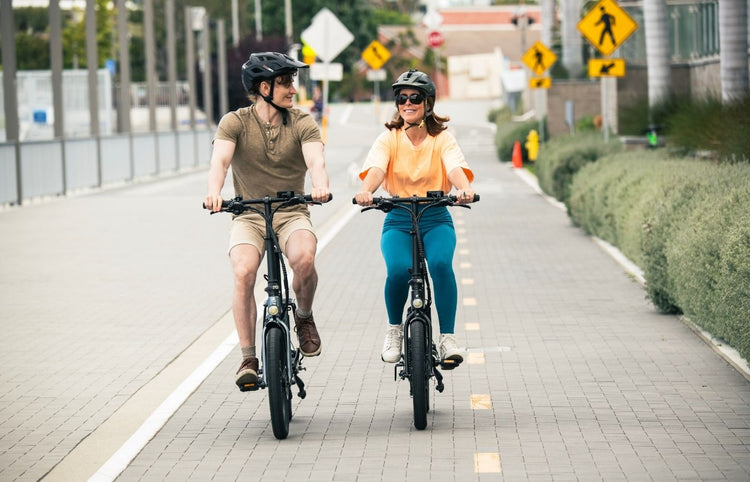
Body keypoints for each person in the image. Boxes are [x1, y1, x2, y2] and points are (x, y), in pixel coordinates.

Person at [204, 52, 331, 390]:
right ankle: (248, 357)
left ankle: (303, 317)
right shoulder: (235, 122)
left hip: (291, 212)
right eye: (286, 82)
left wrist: (320, 186)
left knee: (304, 259)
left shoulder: (302, 122)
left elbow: (316, 160)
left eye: (292, 81)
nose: (293, 89)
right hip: (248, 213)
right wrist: (214, 192)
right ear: (264, 87)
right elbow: (220, 161)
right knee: (244, 270)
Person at [353, 69, 476, 367]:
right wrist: (366, 190)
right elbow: (378, 170)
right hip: (398, 216)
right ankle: (394, 330)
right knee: (398, 270)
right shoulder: (389, 139)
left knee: (440, 264)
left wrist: (464, 188)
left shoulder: (442, 139)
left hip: (435, 216)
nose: (407, 103)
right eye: (402, 98)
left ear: (428, 103)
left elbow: (454, 167)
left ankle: (448, 338)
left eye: (415, 98)